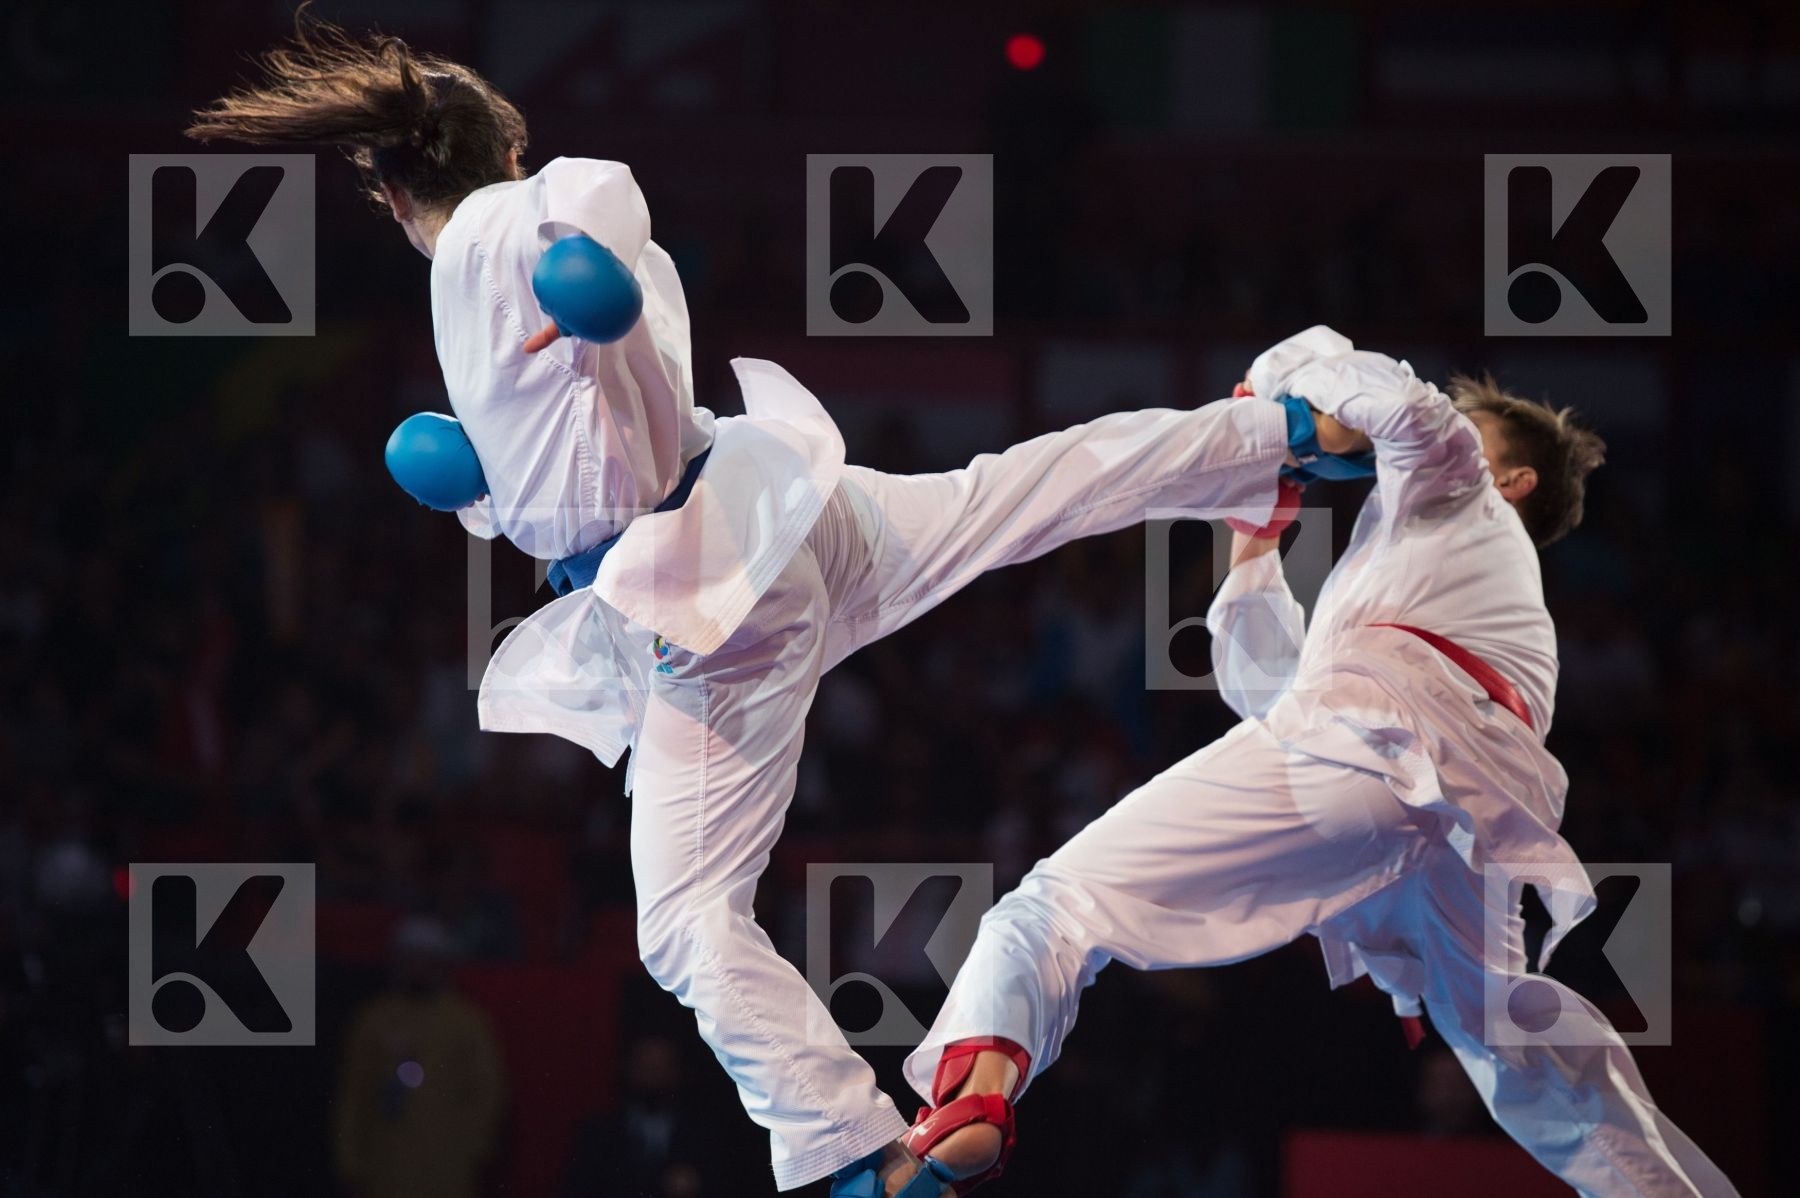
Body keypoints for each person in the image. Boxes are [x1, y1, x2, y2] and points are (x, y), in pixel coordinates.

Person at [187, 12, 1298, 1190]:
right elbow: (582, 385)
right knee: (1014, 495)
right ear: (496, 149)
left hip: (719, 599)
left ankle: (849, 1143)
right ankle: (1271, 442)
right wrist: (485, 469)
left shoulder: (518, 221)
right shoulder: (516, 241)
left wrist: (577, 290)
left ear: (398, 196)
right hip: (775, 510)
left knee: (684, 923)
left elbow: (588, 250)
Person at [893, 328, 1741, 1198]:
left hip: (1377, 754)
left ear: (1513, 479)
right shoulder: (1439, 581)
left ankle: (970, 1100)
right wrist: (1259, 534)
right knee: (1509, 1039)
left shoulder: (1460, 486)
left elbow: (1396, 401)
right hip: (1445, 813)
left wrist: (1275, 402)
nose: (1451, 422)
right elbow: (1275, 695)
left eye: (1469, 421)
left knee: (1054, 904)